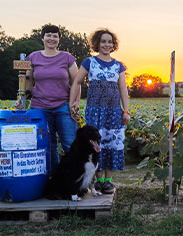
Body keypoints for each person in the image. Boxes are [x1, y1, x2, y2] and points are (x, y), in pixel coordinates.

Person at [69, 28, 130, 194]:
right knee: (95, 144)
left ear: (113, 45)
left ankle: (108, 181)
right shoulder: (89, 62)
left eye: (110, 42)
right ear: (97, 44)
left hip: (113, 112)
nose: (107, 44)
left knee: (112, 144)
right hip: (94, 111)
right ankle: (98, 180)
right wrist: (72, 102)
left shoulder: (119, 66)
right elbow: (77, 82)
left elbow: (123, 89)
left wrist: (126, 111)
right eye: (103, 41)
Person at [23, 24, 80, 174]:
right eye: (48, 35)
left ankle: (77, 181)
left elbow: (77, 82)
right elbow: (27, 81)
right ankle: (54, 180)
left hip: (63, 106)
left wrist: (74, 103)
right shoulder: (33, 57)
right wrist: (22, 98)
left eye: (55, 36)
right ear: (42, 38)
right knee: (47, 146)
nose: (52, 38)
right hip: (39, 107)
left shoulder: (67, 57)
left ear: (59, 39)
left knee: (70, 144)